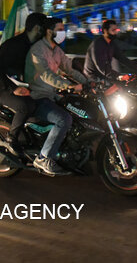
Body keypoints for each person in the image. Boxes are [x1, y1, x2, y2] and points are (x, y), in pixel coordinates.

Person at [30, 17, 88, 176]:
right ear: (50, 31)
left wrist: (89, 83)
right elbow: (46, 74)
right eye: (60, 29)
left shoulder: (56, 50)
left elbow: (70, 69)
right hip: (39, 96)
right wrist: (69, 86)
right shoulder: (38, 49)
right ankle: (44, 157)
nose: (63, 32)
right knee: (64, 119)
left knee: (78, 113)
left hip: (53, 94)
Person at [0, 12, 47, 155]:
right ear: (36, 29)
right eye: (44, 27)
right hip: (3, 89)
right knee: (23, 106)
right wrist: (13, 88)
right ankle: (12, 139)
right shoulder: (12, 45)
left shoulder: (36, 46)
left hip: (25, 87)